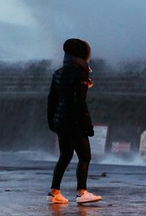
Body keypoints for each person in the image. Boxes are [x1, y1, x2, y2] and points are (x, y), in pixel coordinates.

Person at [46, 38, 103, 204]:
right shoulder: (80, 74)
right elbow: (79, 102)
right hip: (74, 122)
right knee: (85, 157)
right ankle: (82, 192)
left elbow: (52, 99)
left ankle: (54, 193)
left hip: (60, 121)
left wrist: (52, 121)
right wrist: (87, 125)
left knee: (65, 156)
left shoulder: (58, 73)